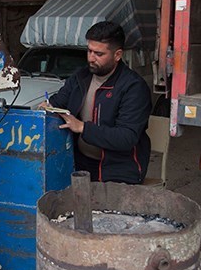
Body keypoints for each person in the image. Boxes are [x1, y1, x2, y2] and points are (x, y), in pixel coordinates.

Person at [44, 20, 152, 184]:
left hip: (118, 170)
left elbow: (126, 137)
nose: (91, 58)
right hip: (79, 163)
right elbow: (57, 103)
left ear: (117, 55)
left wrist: (82, 127)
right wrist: (47, 107)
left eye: (99, 54)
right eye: (89, 51)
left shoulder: (134, 87)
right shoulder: (81, 77)